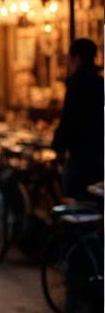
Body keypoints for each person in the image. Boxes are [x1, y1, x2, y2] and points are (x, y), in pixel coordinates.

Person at [52, 38, 104, 200]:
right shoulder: (100, 83)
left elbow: (68, 119)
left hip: (80, 158)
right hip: (99, 156)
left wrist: (57, 145)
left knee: (76, 203)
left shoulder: (76, 84)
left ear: (76, 58)